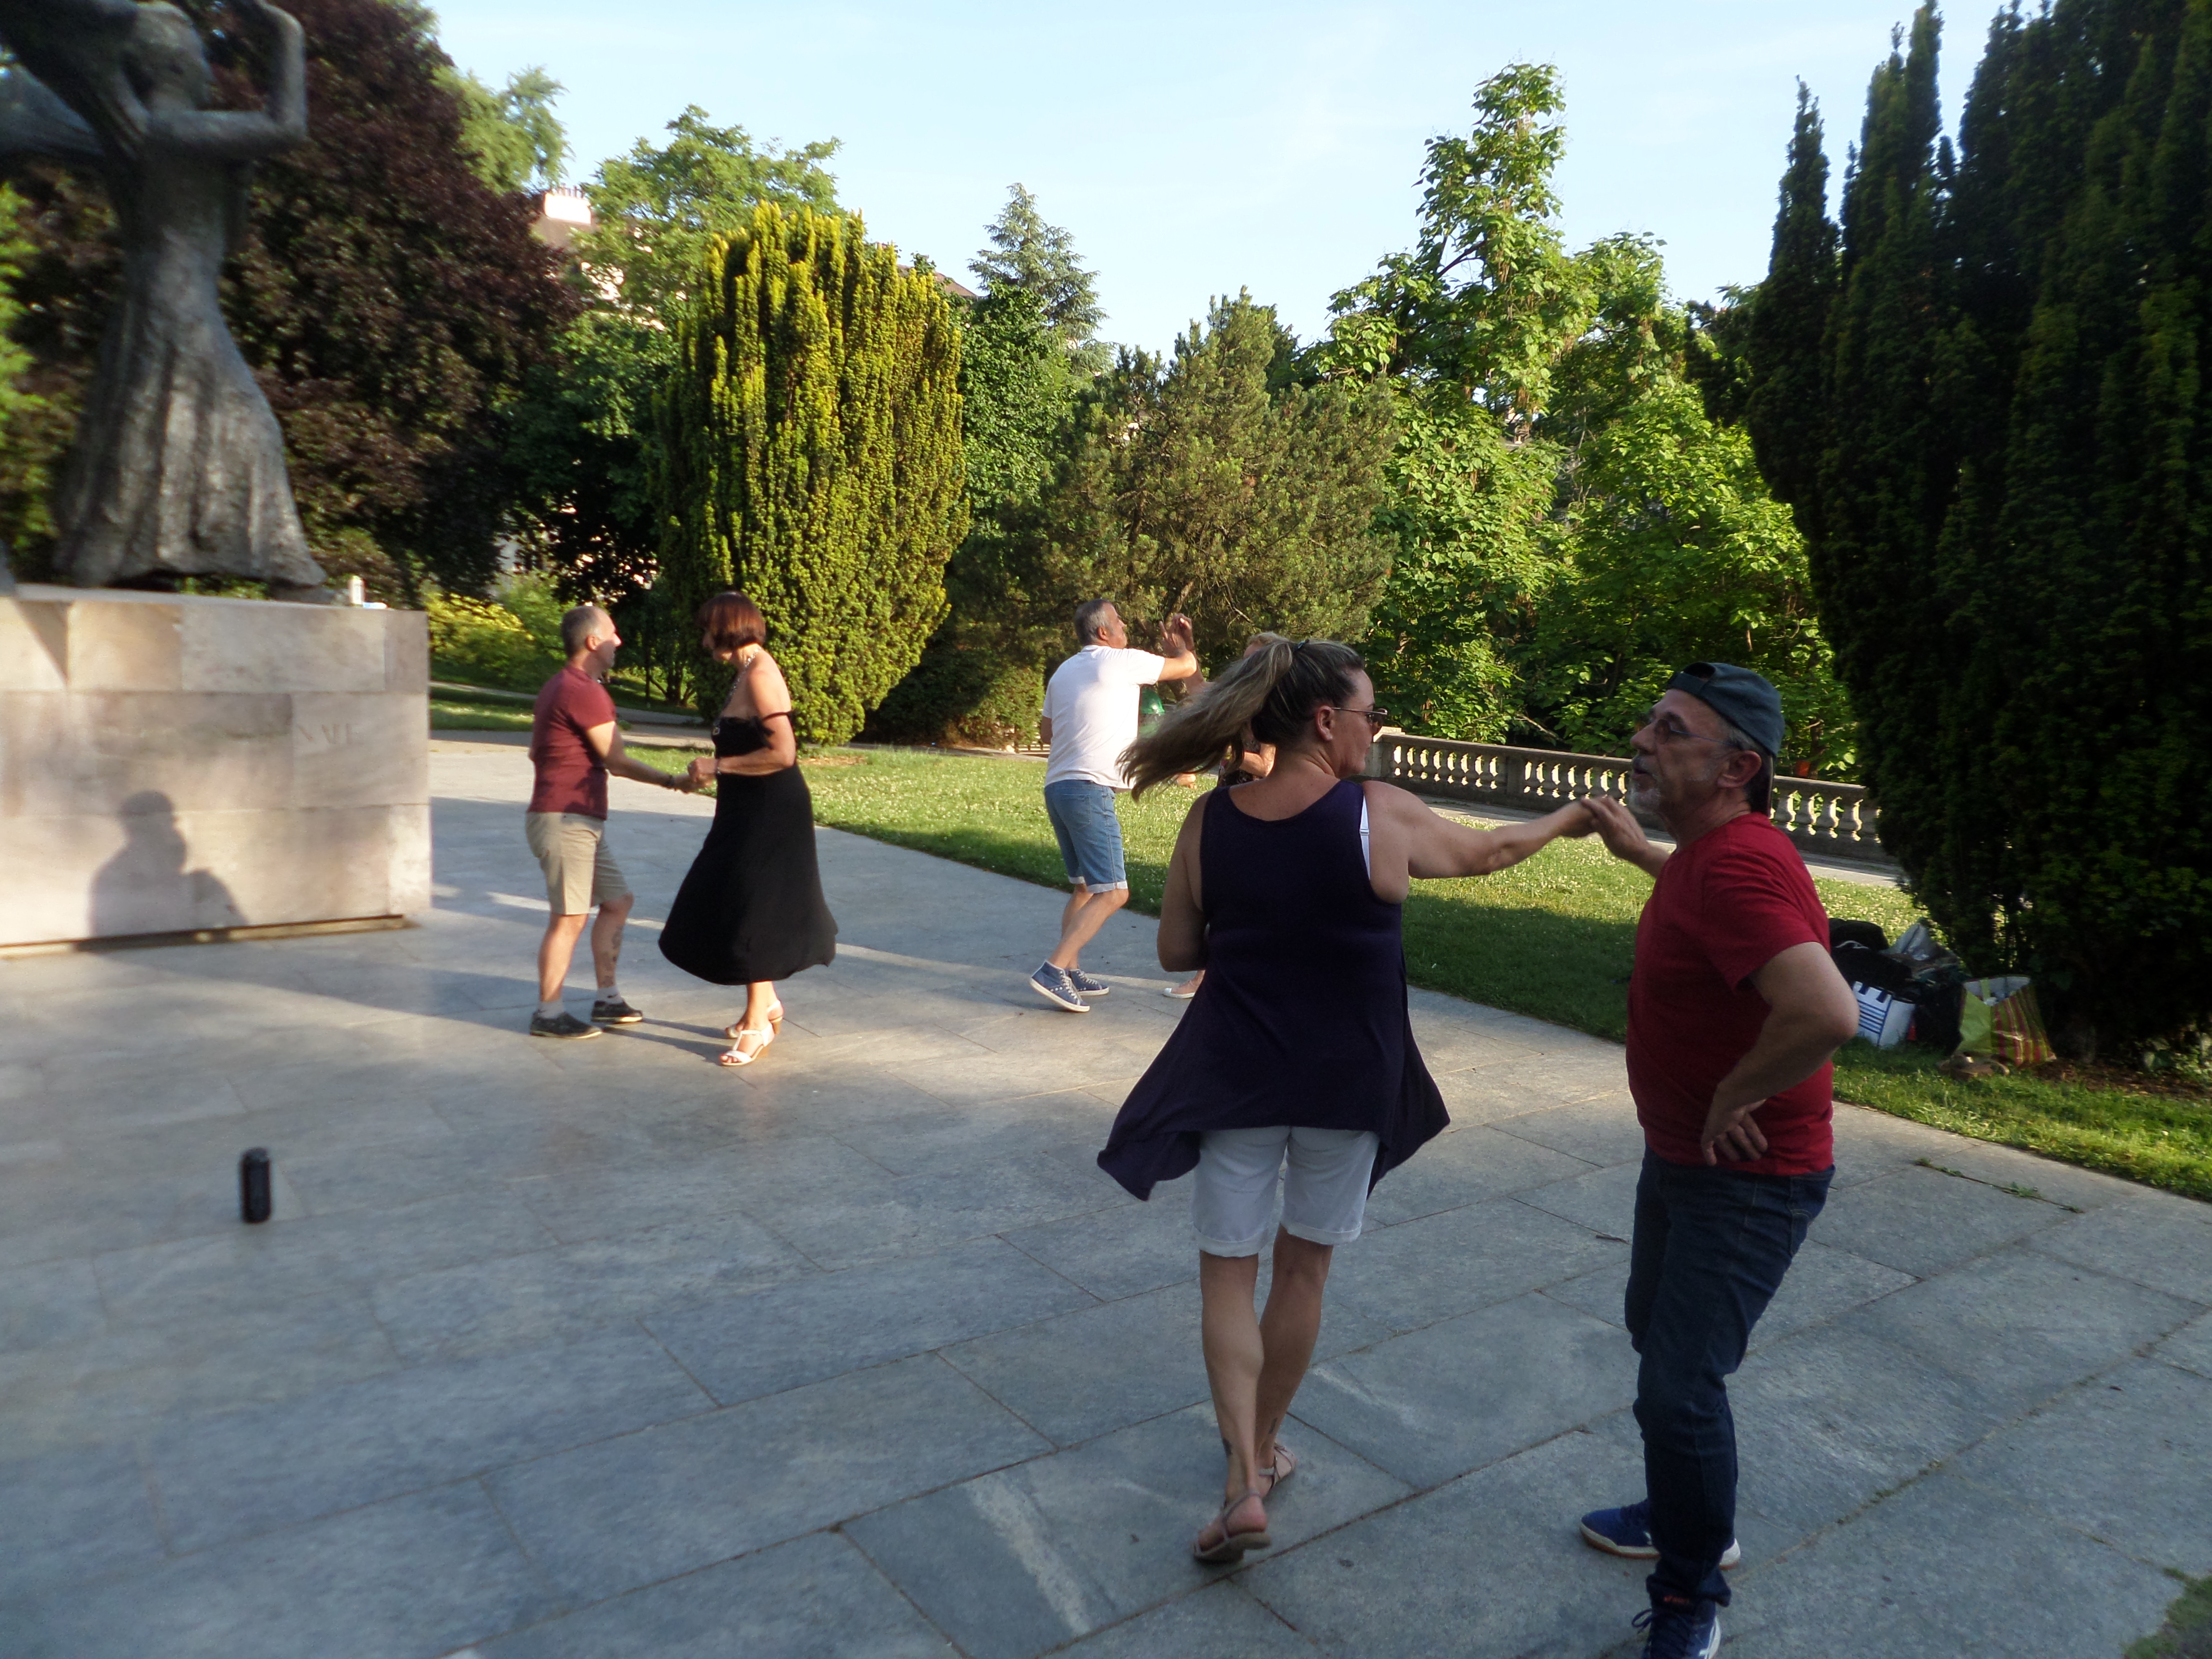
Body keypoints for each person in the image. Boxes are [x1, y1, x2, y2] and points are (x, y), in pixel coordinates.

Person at [1096, 638, 1597, 1565]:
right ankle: (1260, 1453)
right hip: (1348, 1079)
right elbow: (1487, 853)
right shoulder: (1378, 814)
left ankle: (1241, 1481)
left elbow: (1175, 951)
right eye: (1370, 714)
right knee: (1302, 1273)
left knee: (1225, 1276)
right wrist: (1568, 818)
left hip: (1236, 1076)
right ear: (1325, 722)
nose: (1376, 730)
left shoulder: (1209, 821)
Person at [1573, 663, 1860, 1659]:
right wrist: (1641, 855)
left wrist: (1737, 1091)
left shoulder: (1736, 864)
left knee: (1679, 1385)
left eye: (1670, 730)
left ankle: (1690, 1593)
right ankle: (1681, 1509)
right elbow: (1709, 909)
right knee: (1654, 1334)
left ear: (1737, 767)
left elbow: (1827, 1011)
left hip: (1747, 1179)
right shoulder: (1709, 856)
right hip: (1684, 1159)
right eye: (1648, 722)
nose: (1641, 741)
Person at [659, 591, 839, 1066]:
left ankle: (758, 1022)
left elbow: (784, 754)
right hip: (743, 808)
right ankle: (766, 1003)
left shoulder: (761, 675)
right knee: (728, 898)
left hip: (770, 809)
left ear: (726, 630)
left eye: (707, 631)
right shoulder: (746, 672)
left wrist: (718, 766)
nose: (704, 640)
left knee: (750, 907)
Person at [526, 605, 697, 1039]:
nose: (618, 642)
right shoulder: (582, 690)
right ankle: (548, 1013)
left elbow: (536, 752)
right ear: (592, 642)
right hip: (566, 820)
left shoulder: (560, 686)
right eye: (612, 634)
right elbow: (616, 760)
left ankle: (607, 999)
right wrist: (673, 781)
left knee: (618, 902)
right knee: (569, 918)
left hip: (575, 818)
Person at [1029, 599, 1199, 1012]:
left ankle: (1070, 969)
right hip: (1090, 790)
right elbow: (1187, 667)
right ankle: (1053, 969)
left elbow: (1047, 732)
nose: (1125, 627)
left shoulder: (1064, 671)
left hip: (1059, 787)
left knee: (1085, 887)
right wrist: (1183, 644)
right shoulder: (1122, 661)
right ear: (1103, 632)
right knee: (1115, 892)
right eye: (1120, 622)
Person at [1167, 633, 1286, 1001]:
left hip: (1259, 813)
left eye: (1253, 661)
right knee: (1219, 892)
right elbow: (1199, 689)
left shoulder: (1274, 709)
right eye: (1244, 659)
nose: (1243, 667)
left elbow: (1266, 766)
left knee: (1241, 896)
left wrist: (1226, 751)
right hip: (1229, 806)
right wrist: (1186, 650)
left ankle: (1215, 977)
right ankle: (1214, 975)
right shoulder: (1240, 700)